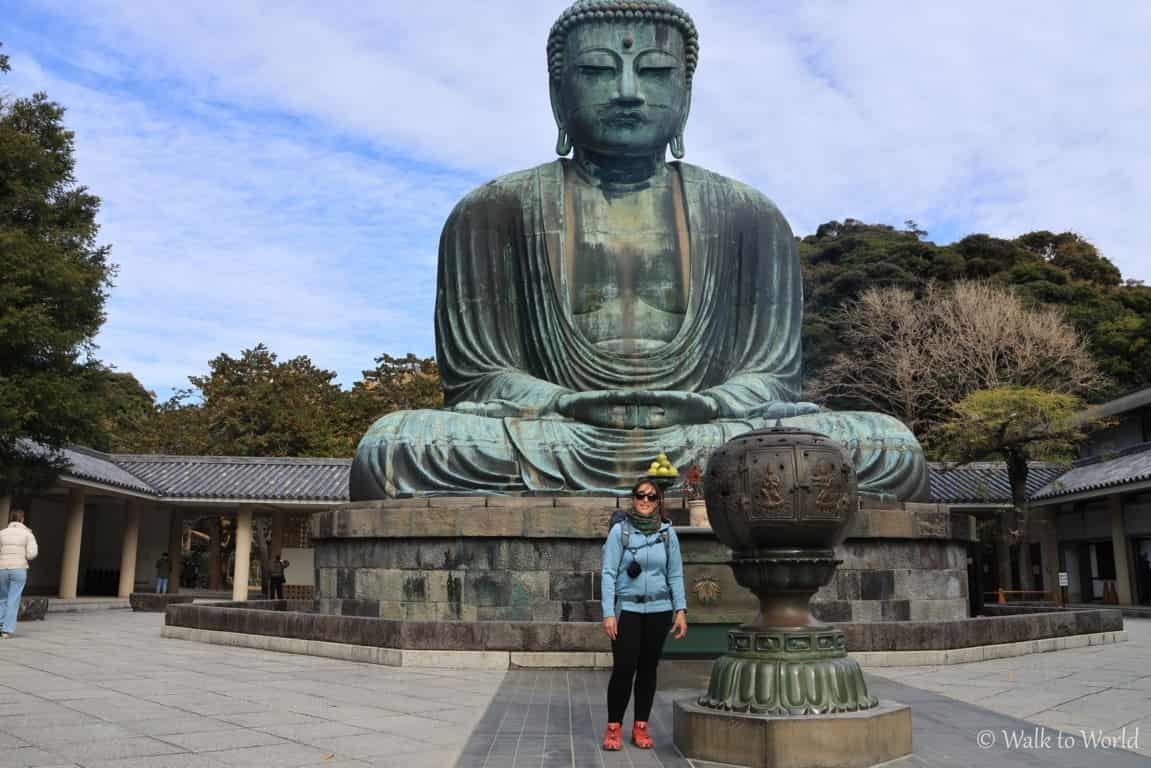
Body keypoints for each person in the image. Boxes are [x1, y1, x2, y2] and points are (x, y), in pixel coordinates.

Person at [600, 479, 687, 751]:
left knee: (648, 671)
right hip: (627, 611)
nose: (646, 501)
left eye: (651, 497)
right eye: (641, 496)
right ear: (633, 498)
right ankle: (613, 727)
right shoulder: (620, 532)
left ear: (659, 501)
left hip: (659, 611)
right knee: (624, 670)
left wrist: (680, 610)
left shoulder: (666, 533)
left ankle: (641, 727)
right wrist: (607, 613)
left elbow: (675, 573)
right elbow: (608, 573)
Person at [0, 508, 39, 639]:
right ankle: (6, 630)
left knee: (2, 598)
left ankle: (0, 624)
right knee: (13, 599)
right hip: (18, 569)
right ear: (22, 519)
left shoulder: (2, 533)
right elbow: (31, 554)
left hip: (2, 568)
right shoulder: (27, 534)